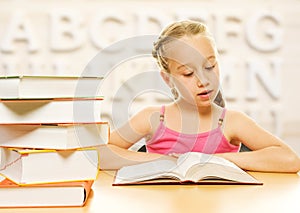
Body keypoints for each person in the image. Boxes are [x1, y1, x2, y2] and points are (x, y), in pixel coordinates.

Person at [103, 20, 300, 172]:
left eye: (209, 67)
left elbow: (290, 160)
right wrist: (165, 161)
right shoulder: (153, 118)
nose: (203, 80)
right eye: (188, 73)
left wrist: (215, 160)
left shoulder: (232, 121)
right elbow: (100, 154)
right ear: (168, 79)